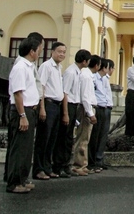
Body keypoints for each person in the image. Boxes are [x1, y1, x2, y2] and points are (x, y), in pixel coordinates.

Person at [5, 35, 43, 194]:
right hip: (22, 110)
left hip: (30, 109)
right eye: (39, 49)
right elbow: (18, 93)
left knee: (26, 149)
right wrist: (22, 116)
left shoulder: (28, 66)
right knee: (19, 148)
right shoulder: (20, 67)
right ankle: (13, 182)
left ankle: (21, 179)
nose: (40, 52)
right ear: (32, 51)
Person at [52, 49, 91, 178]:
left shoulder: (78, 72)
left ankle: (66, 165)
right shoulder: (70, 72)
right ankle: (59, 165)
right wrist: (65, 113)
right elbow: (65, 93)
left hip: (75, 106)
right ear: (84, 61)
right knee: (63, 137)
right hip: (68, 105)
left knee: (69, 138)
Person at [33, 41, 67, 180]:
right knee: (43, 139)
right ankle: (38, 169)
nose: (62, 54)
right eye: (59, 51)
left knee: (52, 139)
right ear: (52, 52)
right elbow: (42, 87)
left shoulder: (59, 68)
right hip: (48, 104)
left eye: (64, 52)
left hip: (57, 105)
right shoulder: (46, 66)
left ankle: (47, 167)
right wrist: (42, 108)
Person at [71, 55, 101, 176]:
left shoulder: (88, 75)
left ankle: (83, 164)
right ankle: (78, 165)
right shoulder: (86, 76)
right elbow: (85, 96)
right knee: (83, 137)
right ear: (96, 65)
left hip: (88, 107)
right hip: (86, 108)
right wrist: (90, 113)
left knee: (86, 138)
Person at [88, 58, 110, 173]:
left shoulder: (104, 79)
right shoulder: (93, 78)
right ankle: (91, 162)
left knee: (100, 136)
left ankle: (97, 161)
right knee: (93, 137)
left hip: (103, 107)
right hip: (96, 108)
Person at [95, 59, 115, 170]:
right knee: (98, 134)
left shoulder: (105, 79)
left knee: (104, 135)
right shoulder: (96, 79)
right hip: (100, 108)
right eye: (110, 68)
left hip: (107, 108)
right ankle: (96, 159)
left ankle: (100, 158)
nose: (111, 70)